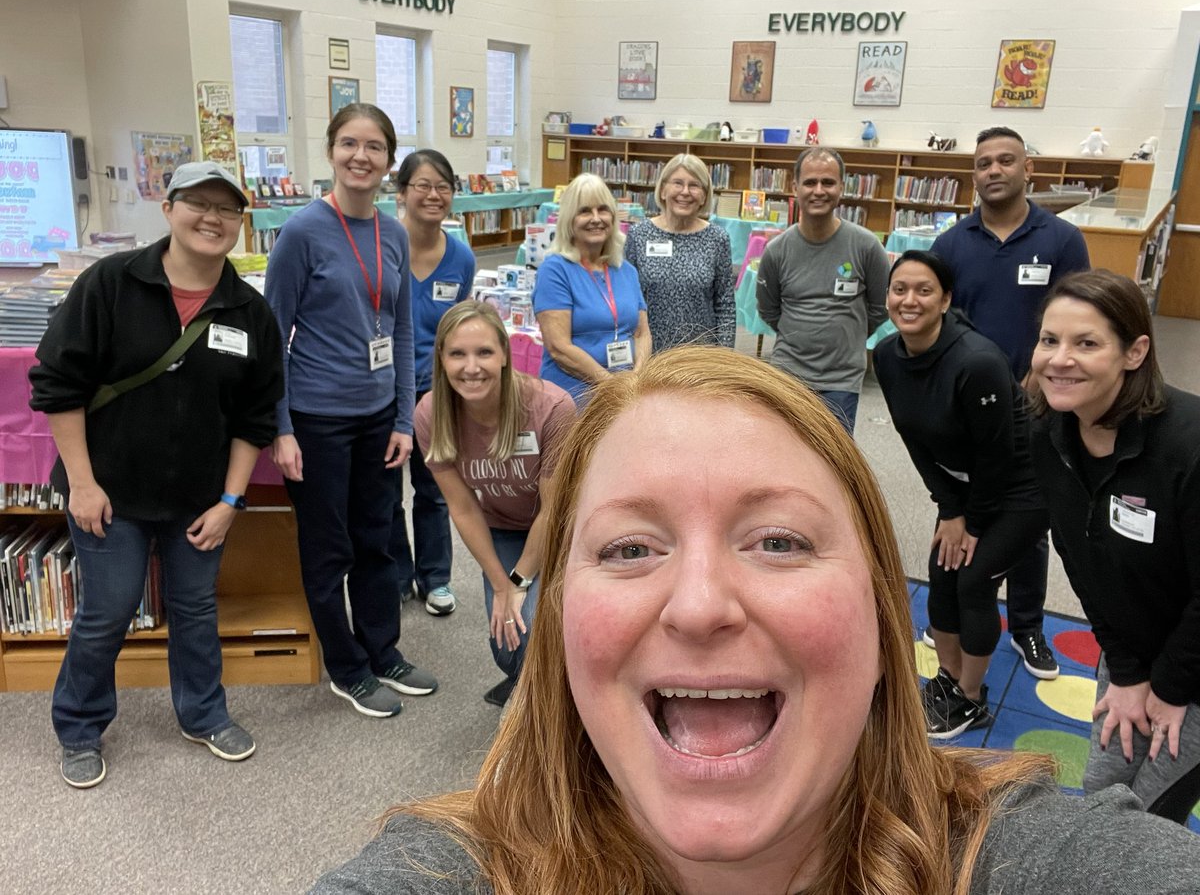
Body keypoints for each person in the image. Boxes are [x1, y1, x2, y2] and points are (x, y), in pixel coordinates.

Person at [311, 346, 1200, 895]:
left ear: (883, 616)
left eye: (778, 541)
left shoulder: (1026, 862)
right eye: (627, 549)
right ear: (561, 620)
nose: (700, 606)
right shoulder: (444, 874)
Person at [29, 161, 284, 788]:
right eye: (197, 202)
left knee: (195, 607)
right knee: (108, 609)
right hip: (108, 491)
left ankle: (202, 713)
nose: (212, 218)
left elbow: (255, 418)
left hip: (199, 497)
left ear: (240, 224)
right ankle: (80, 726)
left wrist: (231, 500)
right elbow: (57, 385)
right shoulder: (110, 283)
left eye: (227, 209)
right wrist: (82, 485)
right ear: (168, 208)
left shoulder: (249, 311)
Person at [265, 104, 437, 719]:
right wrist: (281, 429)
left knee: (378, 540)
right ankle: (346, 667)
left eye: (373, 147)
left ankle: (382, 649)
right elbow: (271, 340)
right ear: (331, 151)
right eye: (348, 144)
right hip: (316, 419)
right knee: (329, 548)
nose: (360, 157)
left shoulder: (393, 234)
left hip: (375, 421)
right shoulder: (301, 232)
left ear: (389, 160)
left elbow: (401, 325)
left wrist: (400, 420)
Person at [1029, 269, 1200, 823]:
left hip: (1196, 667)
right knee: (1100, 796)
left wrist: (1170, 688)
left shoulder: (1188, 443)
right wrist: (1127, 672)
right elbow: (1082, 561)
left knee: (1148, 822)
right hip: (1132, 646)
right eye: (1049, 340)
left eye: (1086, 343)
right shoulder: (1048, 432)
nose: (1059, 359)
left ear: (1135, 352)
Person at [930, 126, 1091, 682]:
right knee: (959, 503)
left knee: (1028, 520)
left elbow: (1078, 316)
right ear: (972, 175)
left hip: (1039, 405)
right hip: (968, 408)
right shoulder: (951, 243)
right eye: (982, 164)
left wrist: (1039, 376)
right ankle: (952, 610)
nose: (993, 171)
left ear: (1029, 172)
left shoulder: (1063, 239)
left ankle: (1026, 625)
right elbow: (938, 317)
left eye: (1005, 161)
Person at [873, 251, 1048, 739]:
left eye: (924, 290)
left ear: (946, 299)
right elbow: (914, 439)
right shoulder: (886, 356)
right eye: (899, 289)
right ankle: (949, 680)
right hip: (966, 487)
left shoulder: (978, 362)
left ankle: (971, 699)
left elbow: (999, 458)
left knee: (972, 580)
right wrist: (949, 509)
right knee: (940, 572)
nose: (909, 300)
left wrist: (970, 522)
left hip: (1022, 488)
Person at [414, 301, 575, 707]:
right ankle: (529, 681)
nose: (472, 367)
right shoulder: (431, 415)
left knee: (538, 629)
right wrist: (500, 584)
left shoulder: (551, 408)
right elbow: (464, 508)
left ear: (504, 354)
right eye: (457, 354)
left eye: (484, 352)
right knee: (508, 641)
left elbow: (553, 511)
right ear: (442, 360)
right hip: (501, 527)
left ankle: (554, 706)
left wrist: (519, 582)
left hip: (561, 530)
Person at [387, 149, 476, 618]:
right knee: (386, 491)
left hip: (437, 391)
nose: (433, 195)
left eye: (443, 187)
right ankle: (399, 575)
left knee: (435, 486)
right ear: (401, 193)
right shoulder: (382, 245)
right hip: (384, 386)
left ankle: (436, 577)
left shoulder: (460, 257)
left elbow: (460, 326)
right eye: (422, 185)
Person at [755, 146, 889, 435]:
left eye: (828, 182)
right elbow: (768, 309)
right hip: (787, 375)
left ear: (841, 187)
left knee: (833, 466)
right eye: (810, 182)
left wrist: (848, 334)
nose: (819, 190)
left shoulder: (866, 246)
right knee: (785, 455)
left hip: (841, 380)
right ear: (795, 187)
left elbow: (880, 307)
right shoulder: (777, 251)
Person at [533, 172, 651, 404]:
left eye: (603, 210)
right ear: (569, 219)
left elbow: (642, 332)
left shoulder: (626, 270)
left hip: (625, 394)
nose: (596, 218)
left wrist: (637, 377)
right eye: (585, 211)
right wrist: (611, 384)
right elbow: (559, 347)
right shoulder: (555, 270)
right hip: (573, 395)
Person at [623, 154, 736, 351]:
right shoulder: (639, 235)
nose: (685, 192)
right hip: (648, 356)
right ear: (663, 189)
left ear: (704, 195)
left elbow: (725, 305)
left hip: (699, 358)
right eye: (677, 183)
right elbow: (627, 299)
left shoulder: (717, 238)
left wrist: (724, 360)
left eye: (694, 185)